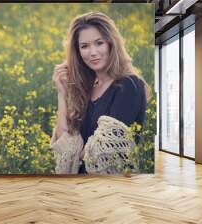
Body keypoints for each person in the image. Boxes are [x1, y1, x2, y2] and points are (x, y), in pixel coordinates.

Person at [50, 11, 150, 174]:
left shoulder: (129, 85)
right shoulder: (86, 87)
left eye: (99, 43)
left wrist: (73, 150)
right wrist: (62, 93)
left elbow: (100, 152)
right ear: (78, 52)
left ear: (111, 43)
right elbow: (62, 140)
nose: (93, 52)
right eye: (85, 46)